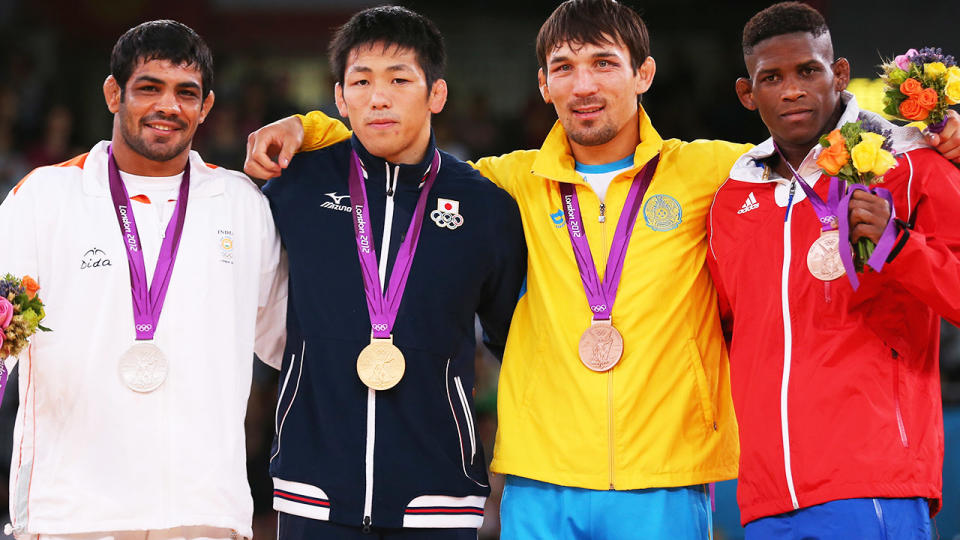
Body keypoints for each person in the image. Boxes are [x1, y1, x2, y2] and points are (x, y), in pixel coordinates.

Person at [244, 1, 960, 538]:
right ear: (544, 84)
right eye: (564, 68)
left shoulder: (714, 171)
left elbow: (814, 136)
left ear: (642, 74)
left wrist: (926, 132)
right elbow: (399, 142)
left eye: (604, 64)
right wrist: (307, 126)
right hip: (538, 479)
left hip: (666, 478)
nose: (584, 85)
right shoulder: (504, 182)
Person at [0, 20, 286, 540]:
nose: (168, 107)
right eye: (149, 88)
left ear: (206, 106)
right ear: (114, 93)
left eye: (186, 93)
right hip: (71, 510)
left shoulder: (243, 205)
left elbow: (292, 344)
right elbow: (2, 342)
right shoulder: (44, 199)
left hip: (204, 508)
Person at [260, 7, 525, 540]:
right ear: (339, 98)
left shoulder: (486, 207)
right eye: (361, 81)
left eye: (399, 79)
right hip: (314, 487)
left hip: (438, 493)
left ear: (436, 94)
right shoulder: (295, 187)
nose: (378, 98)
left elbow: (511, 340)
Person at [706, 3, 960, 538]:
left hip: (873, 481)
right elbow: (728, 332)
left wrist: (898, 245)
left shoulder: (910, 164)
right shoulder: (731, 198)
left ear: (839, 74)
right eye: (771, 78)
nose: (792, 90)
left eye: (808, 71)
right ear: (747, 94)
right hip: (763, 496)